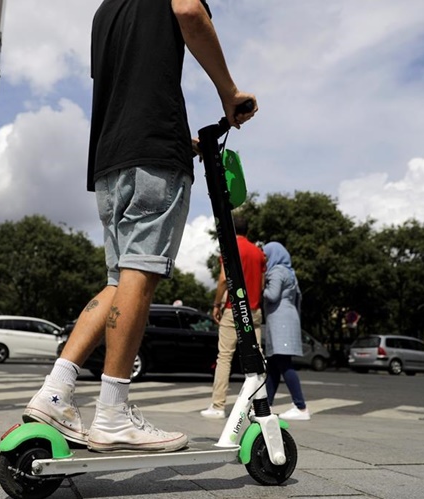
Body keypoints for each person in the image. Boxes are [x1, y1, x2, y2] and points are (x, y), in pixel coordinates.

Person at [23, 0, 257, 453]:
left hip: (110, 161)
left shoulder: (104, 12)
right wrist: (229, 93)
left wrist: (178, 141)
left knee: (118, 279)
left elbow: (125, 87)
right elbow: (190, 11)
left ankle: (53, 392)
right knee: (142, 271)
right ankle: (112, 414)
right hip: (152, 157)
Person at [201, 216, 266, 419]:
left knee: (225, 357)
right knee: (257, 357)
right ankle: (259, 407)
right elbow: (262, 285)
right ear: (248, 230)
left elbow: (222, 280)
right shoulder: (259, 253)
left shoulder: (230, 248)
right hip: (254, 310)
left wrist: (216, 304)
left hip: (233, 309)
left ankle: (218, 406)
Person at [262, 242, 310, 421]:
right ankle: (266, 406)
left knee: (283, 363)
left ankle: (301, 406)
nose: (264, 260)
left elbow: (272, 295)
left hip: (280, 320)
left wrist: (261, 287)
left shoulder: (277, 271)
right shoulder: (290, 272)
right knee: (274, 365)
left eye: (265, 256)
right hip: (288, 318)